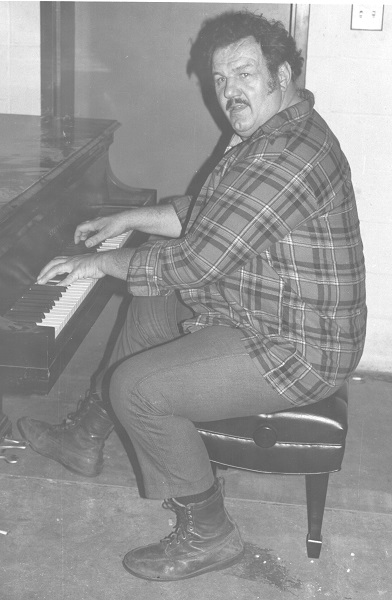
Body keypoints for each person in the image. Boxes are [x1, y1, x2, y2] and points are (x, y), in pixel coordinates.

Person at [17, 11, 366, 581]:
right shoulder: (268, 134)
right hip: (266, 305)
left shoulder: (288, 155)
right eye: (220, 79)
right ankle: (85, 437)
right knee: (152, 305)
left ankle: (210, 533)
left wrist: (98, 264)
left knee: (140, 389)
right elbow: (206, 219)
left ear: (281, 74)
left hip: (300, 347)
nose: (228, 91)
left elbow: (196, 260)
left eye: (243, 74)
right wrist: (129, 218)